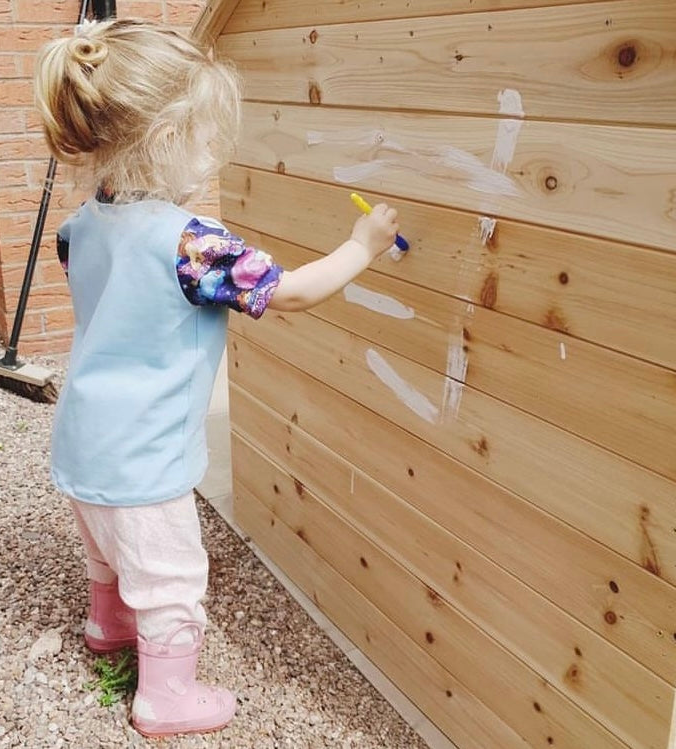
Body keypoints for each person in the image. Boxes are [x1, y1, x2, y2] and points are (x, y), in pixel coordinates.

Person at [33, 18, 399, 739]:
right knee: (169, 575)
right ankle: (165, 698)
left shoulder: (82, 225)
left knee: (108, 547)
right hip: (146, 456)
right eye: (207, 137)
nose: (214, 155)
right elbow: (292, 293)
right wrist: (363, 245)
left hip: (81, 440)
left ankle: (108, 626)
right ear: (168, 139)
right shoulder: (193, 245)